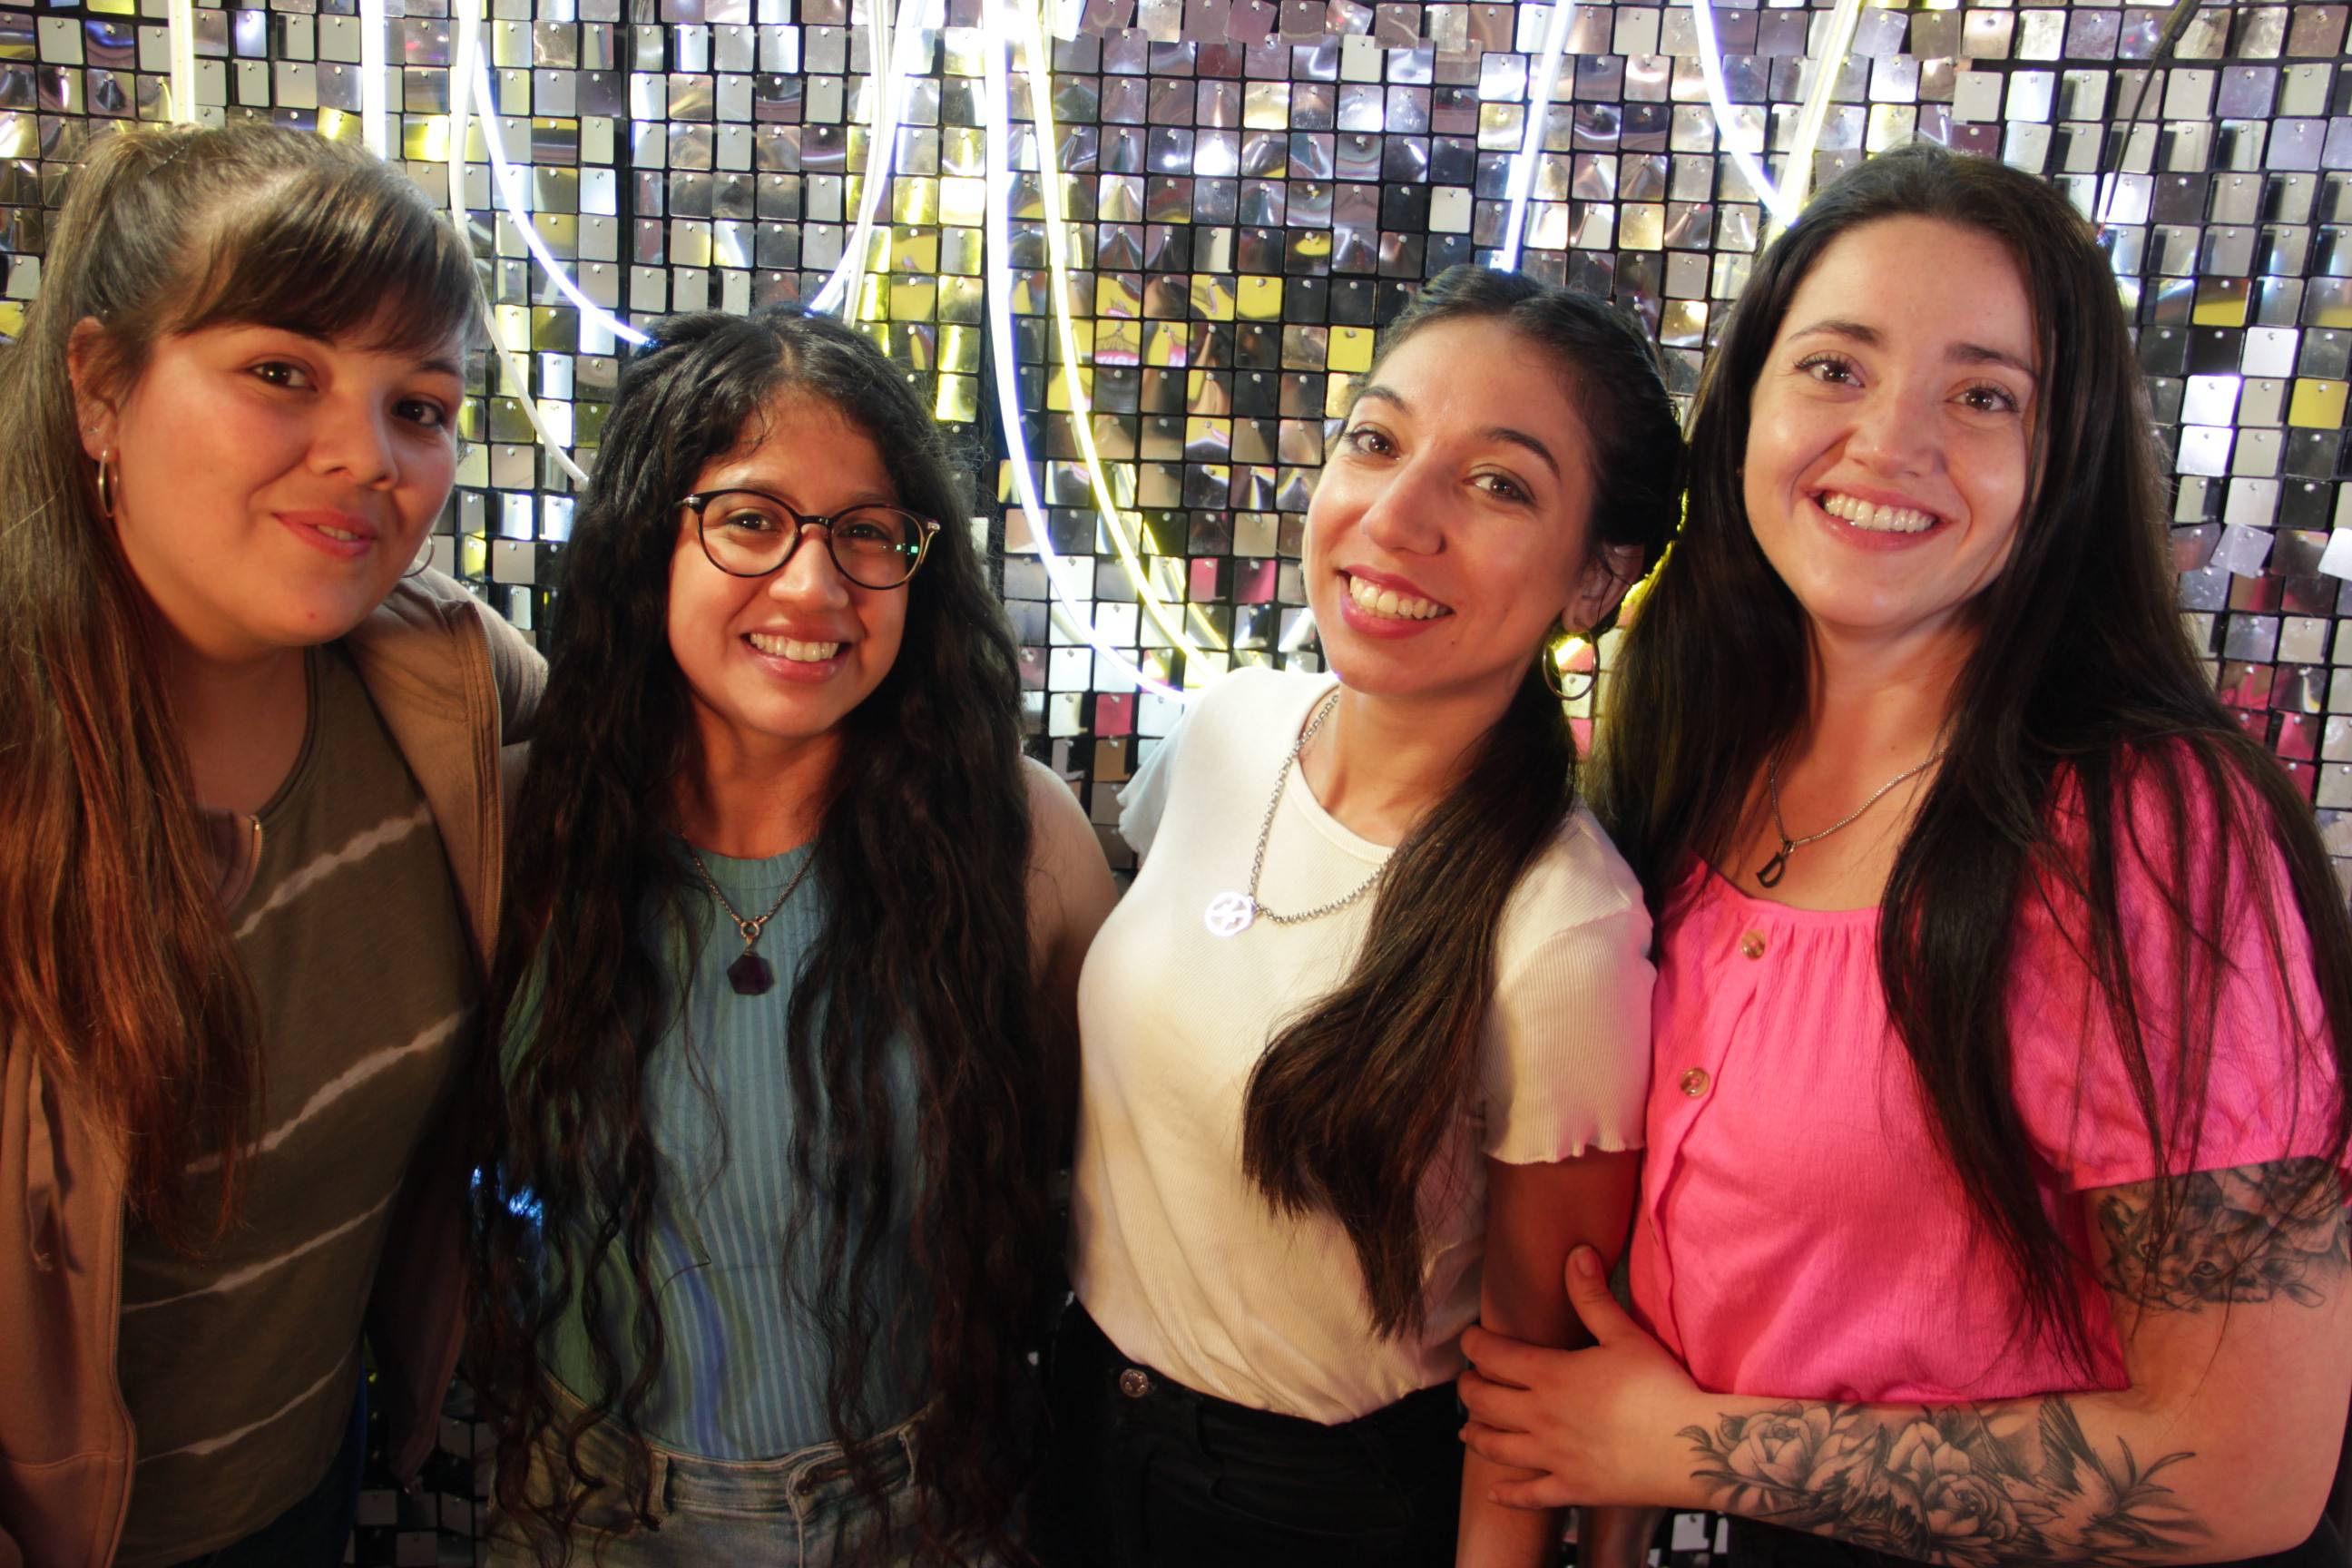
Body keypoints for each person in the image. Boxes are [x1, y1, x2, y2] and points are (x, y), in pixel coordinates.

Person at [1458, 142, 2352, 1566]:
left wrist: (1682, 1444)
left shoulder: (2144, 834)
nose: (1890, 442)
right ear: (1745, 406)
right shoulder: (1699, 753)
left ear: (2064, 460)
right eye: (1835, 368)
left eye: (1984, 395)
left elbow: (2243, 1464)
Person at [1044, 265, 1684, 1568]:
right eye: (1376, 443)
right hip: (1076, 1421)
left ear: (1595, 578)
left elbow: (1528, 1391)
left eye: (1498, 484)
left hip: (1314, 1506)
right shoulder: (1228, 726)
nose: (1395, 518)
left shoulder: (1563, 927)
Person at [473, 305, 1116, 1568]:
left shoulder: (1017, 843)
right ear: (647, 541)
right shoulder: (518, 831)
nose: (815, 586)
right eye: (751, 520)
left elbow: (1090, 1191)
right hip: (588, 1511)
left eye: (868, 532)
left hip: (927, 1512)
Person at [0, 124, 542, 1566]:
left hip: (315, 1485)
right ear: (100, 391)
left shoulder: (438, 682)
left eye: (418, 406)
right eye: (282, 373)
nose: (366, 457)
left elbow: (705, 753)